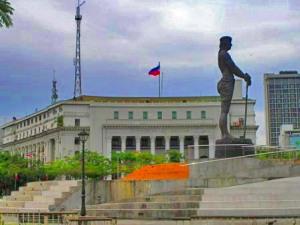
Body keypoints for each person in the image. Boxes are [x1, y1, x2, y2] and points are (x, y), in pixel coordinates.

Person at [217, 36, 251, 140]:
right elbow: (233, 67)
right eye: (230, 43)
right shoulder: (224, 54)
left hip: (226, 82)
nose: (231, 45)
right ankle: (224, 134)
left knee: (224, 110)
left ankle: (225, 134)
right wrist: (244, 76)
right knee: (224, 110)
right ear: (225, 43)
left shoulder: (221, 54)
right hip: (226, 82)